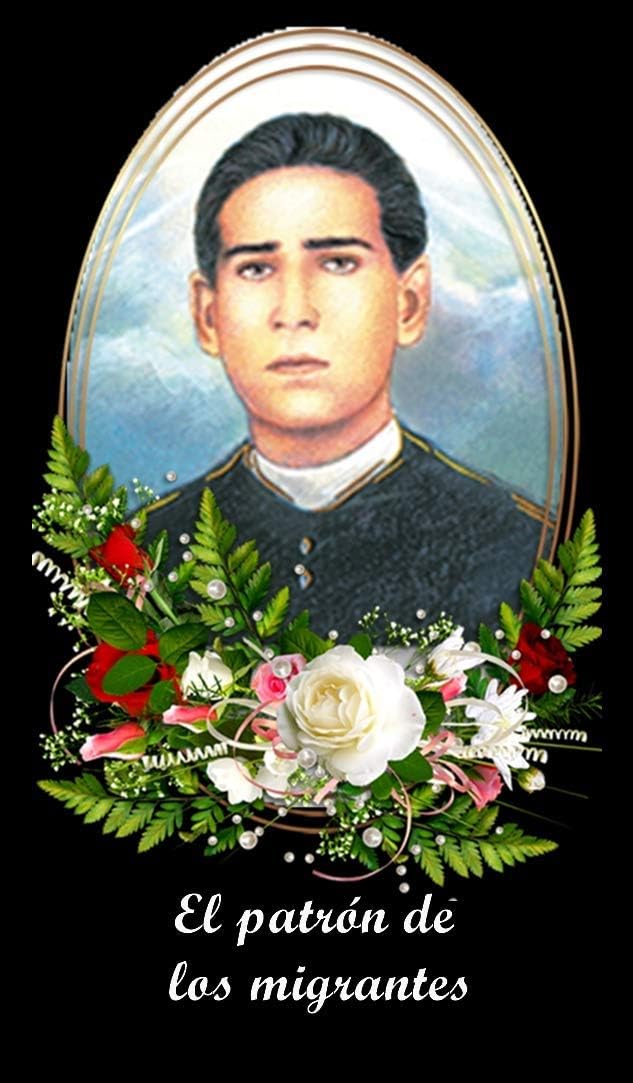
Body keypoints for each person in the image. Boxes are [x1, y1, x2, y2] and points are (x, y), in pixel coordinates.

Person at [147, 113, 552, 637]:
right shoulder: (140, 560)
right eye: (256, 269)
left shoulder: (526, 555)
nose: (294, 312)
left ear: (409, 302)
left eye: (337, 262)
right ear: (207, 314)